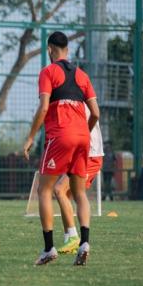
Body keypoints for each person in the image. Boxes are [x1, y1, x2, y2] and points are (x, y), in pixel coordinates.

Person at [23, 31, 100, 266]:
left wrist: (30, 137)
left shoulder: (48, 72)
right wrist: (84, 133)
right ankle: (84, 242)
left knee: (44, 191)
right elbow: (96, 113)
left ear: (49, 49)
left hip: (60, 136)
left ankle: (49, 249)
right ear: (67, 49)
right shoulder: (82, 75)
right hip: (82, 138)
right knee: (79, 193)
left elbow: (44, 107)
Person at [53, 104, 104, 254]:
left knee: (59, 190)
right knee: (66, 195)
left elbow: (89, 120)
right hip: (81, 154)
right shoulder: (73, 100)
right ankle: (69, 239)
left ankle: (74, 238)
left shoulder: (76, 102)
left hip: (90, 156)